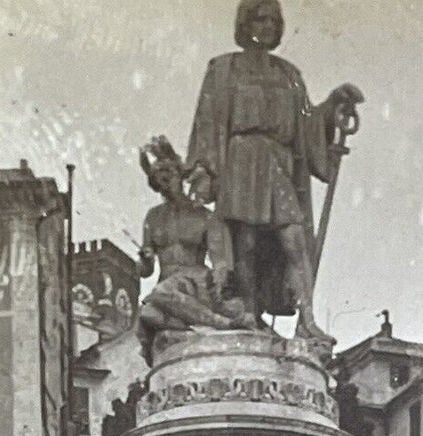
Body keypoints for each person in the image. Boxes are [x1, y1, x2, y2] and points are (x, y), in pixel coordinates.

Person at [185, 0, 362, 339]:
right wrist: (205, 170)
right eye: (259, 19)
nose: (266, 26)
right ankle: (248, 314)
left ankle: (307, 320)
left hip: (278, 163)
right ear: (245, 24)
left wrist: (331, 107)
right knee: (246, 243)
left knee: (293, 237)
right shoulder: (224, 69)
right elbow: (207, 122)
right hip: (240, 158)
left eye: (272, 20)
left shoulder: (288, 74)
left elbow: (307, 126)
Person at [135, 135, 253, 362]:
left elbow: (220, 261)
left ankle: (220, 323)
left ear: (181, 176)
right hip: (167, 280)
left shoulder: (205, 217)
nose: (164, 185)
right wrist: (145, 259)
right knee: (147, 313)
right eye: (159, 180)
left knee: (160, 296)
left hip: (196, 280)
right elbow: (145, 271)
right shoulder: (153, 217)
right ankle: (205, 328)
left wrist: (219, 284)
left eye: (169, 177)